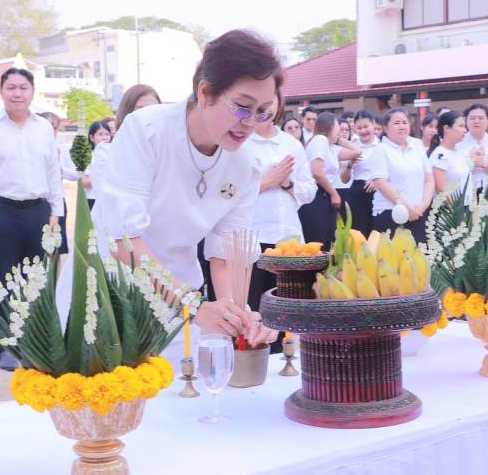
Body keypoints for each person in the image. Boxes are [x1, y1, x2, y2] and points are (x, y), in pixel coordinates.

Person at [95, 29, 280, 348]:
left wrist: (239, 315)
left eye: (264, 111)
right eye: (242, 107)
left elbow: (227, 253)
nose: (251, 123)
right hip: (112, 294)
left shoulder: (245, 163)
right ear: (206, 93)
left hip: (181, 296)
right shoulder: (147, 131)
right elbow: (122, 239)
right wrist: (190, 304)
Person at [0, 67, 64, 371]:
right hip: (1, 211)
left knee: (36, 281)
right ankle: (5, 344)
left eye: (23, 87)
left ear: (32, 91)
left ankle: (35, 343)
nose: (17, 93)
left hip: (38, 211)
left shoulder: (43, 128)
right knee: (2, 280)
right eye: (11, 87)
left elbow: (53, 172)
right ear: (1, 92)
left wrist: (56, 212)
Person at [245, 91, 316, 323]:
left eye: (270, 102)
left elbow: (309, 190)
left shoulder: (290, 144)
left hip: (288, 239)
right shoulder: (240, 142)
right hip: (251, 238)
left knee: (286, 312)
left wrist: (287, 183)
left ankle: (283, 357)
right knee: (254, 309)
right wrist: (268, 181)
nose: (264, 109)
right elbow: (228, 193)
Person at [370, 108, 435, 243]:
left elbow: (429, 178)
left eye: (404, 123)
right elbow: (381, 183)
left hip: (419, 213)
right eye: (396, 123)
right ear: (385, 128)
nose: (402, 126)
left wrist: (423, 205)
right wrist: (406, 207)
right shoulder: (380, 150)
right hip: (391, 213)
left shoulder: (416, 145)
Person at [299, 112, 360, 248]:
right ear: (330, 125)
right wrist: (334, 194)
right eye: (338, 125)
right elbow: (317, 171)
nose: (340, 129)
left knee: (328, 239)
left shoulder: (331, 147)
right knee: (317, 240)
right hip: (316, 194)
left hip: (325, 195)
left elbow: (357, 152)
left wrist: (338, 140)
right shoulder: (320, 140)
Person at [39, 111, 78, 256]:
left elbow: (76, 174)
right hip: (38, 202)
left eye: (55, 128)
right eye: (48, 127)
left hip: (57, 200)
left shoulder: (61, 148)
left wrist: (60, 170)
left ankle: (55, 278)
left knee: (56, 248)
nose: (52, 131)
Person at [341, 110, 380, 235]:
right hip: (357, 193)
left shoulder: (382, 145)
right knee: (358, 233)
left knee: (377, 232)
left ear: (373, 124)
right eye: (359, 128)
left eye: (366, 126)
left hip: (379, 192)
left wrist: (377, 180)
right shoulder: (352, 147)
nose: (363, 131)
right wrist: (350, 164)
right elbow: (344, 179)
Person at [428, 110, 470, 197]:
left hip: (467, 206)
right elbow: (442, 190)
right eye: (461, 126)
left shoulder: (461, 152)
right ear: (447, 128)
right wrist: (458, 210)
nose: (465, 130)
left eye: (465, 126)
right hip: (452, 209)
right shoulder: (440, 155)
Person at [461, 104, 488, 193]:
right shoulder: (459, 142)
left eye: (481, 118)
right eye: (472, 118)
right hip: (466, 192)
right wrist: (471, 162)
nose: (476, 121)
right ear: (466, 120)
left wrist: (484, 164)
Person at [83, 120, 113, 210]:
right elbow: (85, 183)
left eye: (107, 134)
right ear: (92, 137)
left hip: (110, 199)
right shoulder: (88, 156)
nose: (104, 137)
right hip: (93, 199)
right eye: (100, 134)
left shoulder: (115, 154)